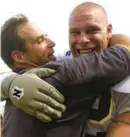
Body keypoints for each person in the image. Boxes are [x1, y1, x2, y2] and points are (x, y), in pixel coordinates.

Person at [1, 2, 130, 137]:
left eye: (92, 30)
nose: (51, 42)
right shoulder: (61, 74)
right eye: (40, 41)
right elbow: (123, 55)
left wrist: (8, 84)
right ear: (19, 56)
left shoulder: (16, 92)